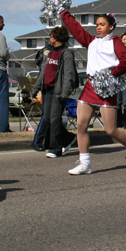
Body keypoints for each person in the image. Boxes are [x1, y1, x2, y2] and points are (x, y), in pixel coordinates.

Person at [59, 8, 126, 174]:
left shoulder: (114, 41)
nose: (98, 27)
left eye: (102, 24)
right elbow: (76, 29)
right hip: (91, 86)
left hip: (107, 87)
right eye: (97, 24)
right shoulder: (91, 41)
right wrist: (64, 14)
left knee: (111, 130)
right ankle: (85, 163)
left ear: (111, 27)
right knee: (81, 124)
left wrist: (112, 74)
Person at [31, 26, 79, 158]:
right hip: (47, 91)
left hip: (58, 92)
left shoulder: (66, 53)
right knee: (47, 119)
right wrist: (36, 88)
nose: (49, 38)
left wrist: (65, 92)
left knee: (54, 119)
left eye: (51, 36)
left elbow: (68, 74)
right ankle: (69, 138)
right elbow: (43, 72)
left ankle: (55, 149)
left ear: (57, 38)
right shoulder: (50, 52)